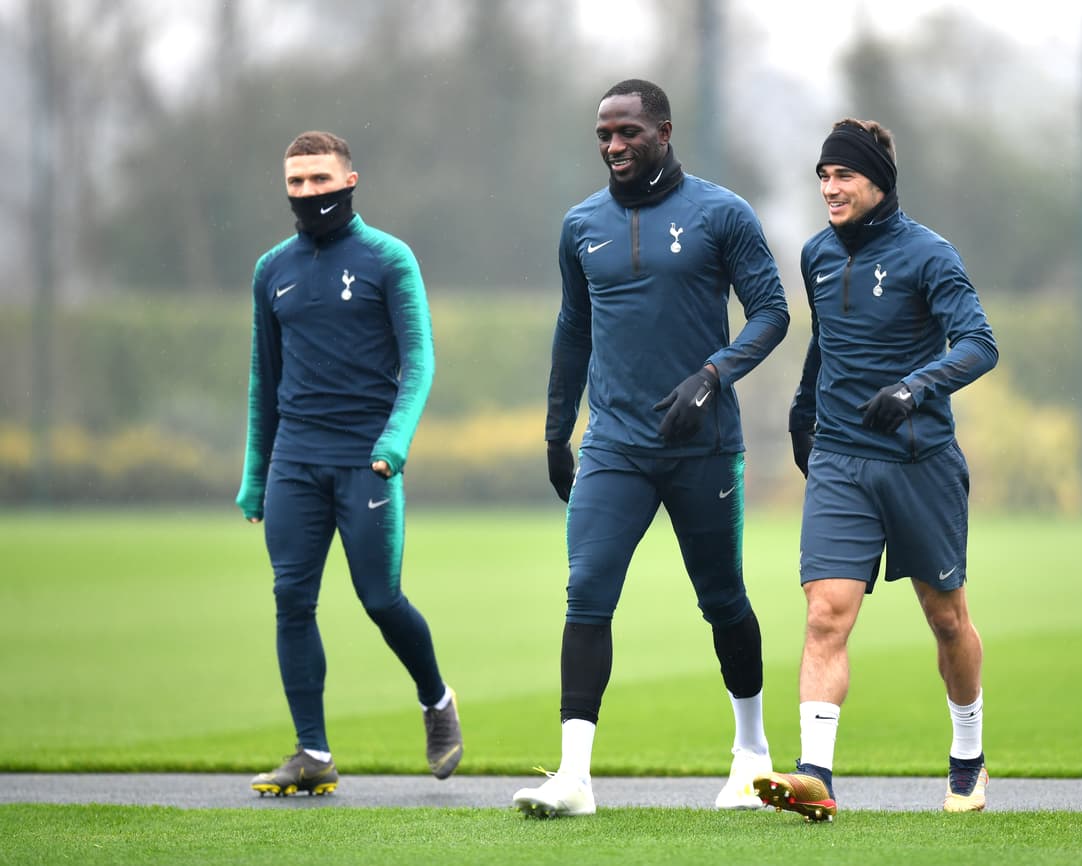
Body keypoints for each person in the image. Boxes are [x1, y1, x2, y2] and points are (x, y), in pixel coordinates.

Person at [512, 79, 791, 818]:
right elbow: (573, 329)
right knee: (588, 589)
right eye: (604, 134)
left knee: (721, 599)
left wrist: (712, 375)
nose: (613, 145)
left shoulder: (721, 214)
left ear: (663, 132)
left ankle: (751, 755)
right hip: (615, 445)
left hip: (705, 447)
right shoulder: (581, 225)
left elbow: (772, 312)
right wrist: (555, 427)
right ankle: (574, 777)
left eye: (628, 132)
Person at [754, 119, 999, 821]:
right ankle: (814, 775)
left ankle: (967, 756)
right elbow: (823, 341)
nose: (830, 188)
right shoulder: (816, 255)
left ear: (878, 181)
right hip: (841, 458)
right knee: (826, 612)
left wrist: (914, 388)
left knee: (946, 618)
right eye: (823, 176)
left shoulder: (930, 255)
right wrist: (805, 411)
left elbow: (981, 344)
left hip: (920, 461)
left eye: (844, 176)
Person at [235, 130, 462, 796]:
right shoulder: (271, 270)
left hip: (368, 463)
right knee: (290, 600)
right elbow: (263, 379)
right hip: (295, 464)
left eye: (320, 180)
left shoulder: (388, 259)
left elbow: (419, 362)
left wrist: (393, 444)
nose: (308, 193)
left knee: (379, 598)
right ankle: (312, 753)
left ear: (350, 181)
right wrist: (256, 473)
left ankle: (436, 699)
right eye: (296, 183)